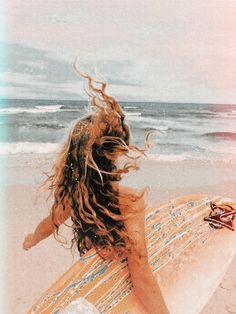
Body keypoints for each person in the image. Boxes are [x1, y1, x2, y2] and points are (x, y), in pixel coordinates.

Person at [23, 74, 169, 314]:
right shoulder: (129, 201)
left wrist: (31, 239)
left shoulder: (76, 195)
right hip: (124, 288)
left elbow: (50, 224)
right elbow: (140, 267)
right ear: (114, 153)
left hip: (95, 285)